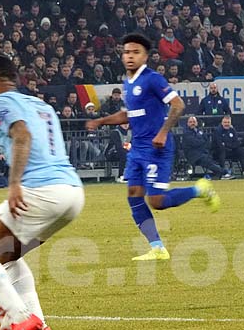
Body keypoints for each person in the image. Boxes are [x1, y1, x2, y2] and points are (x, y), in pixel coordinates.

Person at [0, 55, 83, 330]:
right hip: (72, 193)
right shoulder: (41, 105)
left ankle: (20, 318)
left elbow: (22, 135)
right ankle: (39, 329)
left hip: (41, 190)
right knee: (8, 256)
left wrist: (15, 183)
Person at [85, 33, 218, 261]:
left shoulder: (153, 79)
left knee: (157, 201)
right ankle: (157, 248)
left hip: (157, 148)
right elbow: (129, 114)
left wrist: (163, 132)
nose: (130, 56)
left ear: (145, 56)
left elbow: (178, 105)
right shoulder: (128, 83)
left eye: (135, 52)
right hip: (137, 148)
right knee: (134, 195)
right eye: (127, 52)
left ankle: (200, 189)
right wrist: (101, 121)